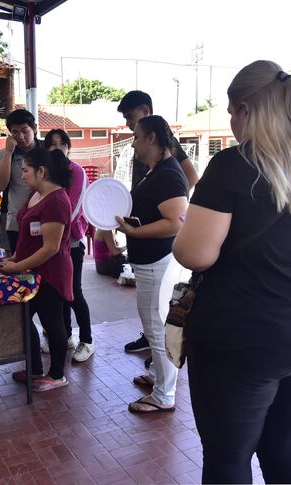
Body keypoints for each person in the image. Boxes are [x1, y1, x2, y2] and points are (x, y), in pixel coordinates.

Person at [173, 60, 291, 483]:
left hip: (246, 332)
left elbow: (196, 254)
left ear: (247, 108)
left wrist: (183, 233)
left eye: (231, 111)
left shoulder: (233, 164)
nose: (231, 121)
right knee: (287, 444)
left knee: (230, 457)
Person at [114, 115, 188, 414]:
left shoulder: (169, 174)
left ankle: (164, 395)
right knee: (152, 324)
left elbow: (175, 223)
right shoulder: (155, 170)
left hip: (158, 261)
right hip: (149, 262)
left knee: (157, 329)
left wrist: (134, 232)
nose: (133, 143)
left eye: (136, 137)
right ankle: (159, 377)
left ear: (152, 138)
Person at [117, 90, 198, 358]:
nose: (130, 133)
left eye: (131, 120)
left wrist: (167, 199)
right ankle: (158, 371)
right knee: (153, 318)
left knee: (156, 320)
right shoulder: (155, 166)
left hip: (157, 253)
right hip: (148, 251)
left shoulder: (167, 158)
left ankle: (163, 390)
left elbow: (177, 214)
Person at [1, 148, 74, 392]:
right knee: (22, 318)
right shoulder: (37, 193)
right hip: (30, 271)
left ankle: (57, 375)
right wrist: (15, 257)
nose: (22, 176)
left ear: (41, 171)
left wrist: (17, 266)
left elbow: (51, 247)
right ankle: (35, 369)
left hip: (50, 273)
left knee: (52, 321)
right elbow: (30, 235)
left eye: (25, 170)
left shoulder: (57, 200)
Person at [41, 128, 94, 362]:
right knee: (58, 292)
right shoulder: (45, 172)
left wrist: (53, 232)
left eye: (62, 144)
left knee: (74, 293)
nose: (57, 148)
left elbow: (70, 210)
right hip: (51, 243)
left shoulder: (76, 172)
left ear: (68, 147)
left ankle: (87, 341)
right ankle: (66, 336)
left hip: (70, 243)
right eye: (52, 144)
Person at [0, 109, 42, 252]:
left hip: (42, 217)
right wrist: (8, 152)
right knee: (14, 260)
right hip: (14, 219)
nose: (20, 136)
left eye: (25, 131)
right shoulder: (4, 154)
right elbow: (0, 185)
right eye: (15, 132)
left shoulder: (46, 150)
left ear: (35, 128)